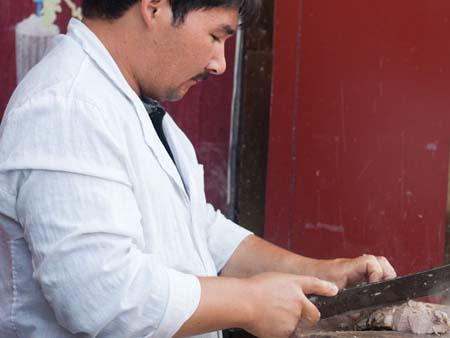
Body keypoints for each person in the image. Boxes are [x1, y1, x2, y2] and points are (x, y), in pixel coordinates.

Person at [0, 1, 397, 337]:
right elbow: (100, 294)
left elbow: (198, 232)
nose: (220, 63)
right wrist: (250, 303)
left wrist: (322, 275)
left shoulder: (133, 106)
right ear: (154, 6)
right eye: (216, 35)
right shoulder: (67, 107)